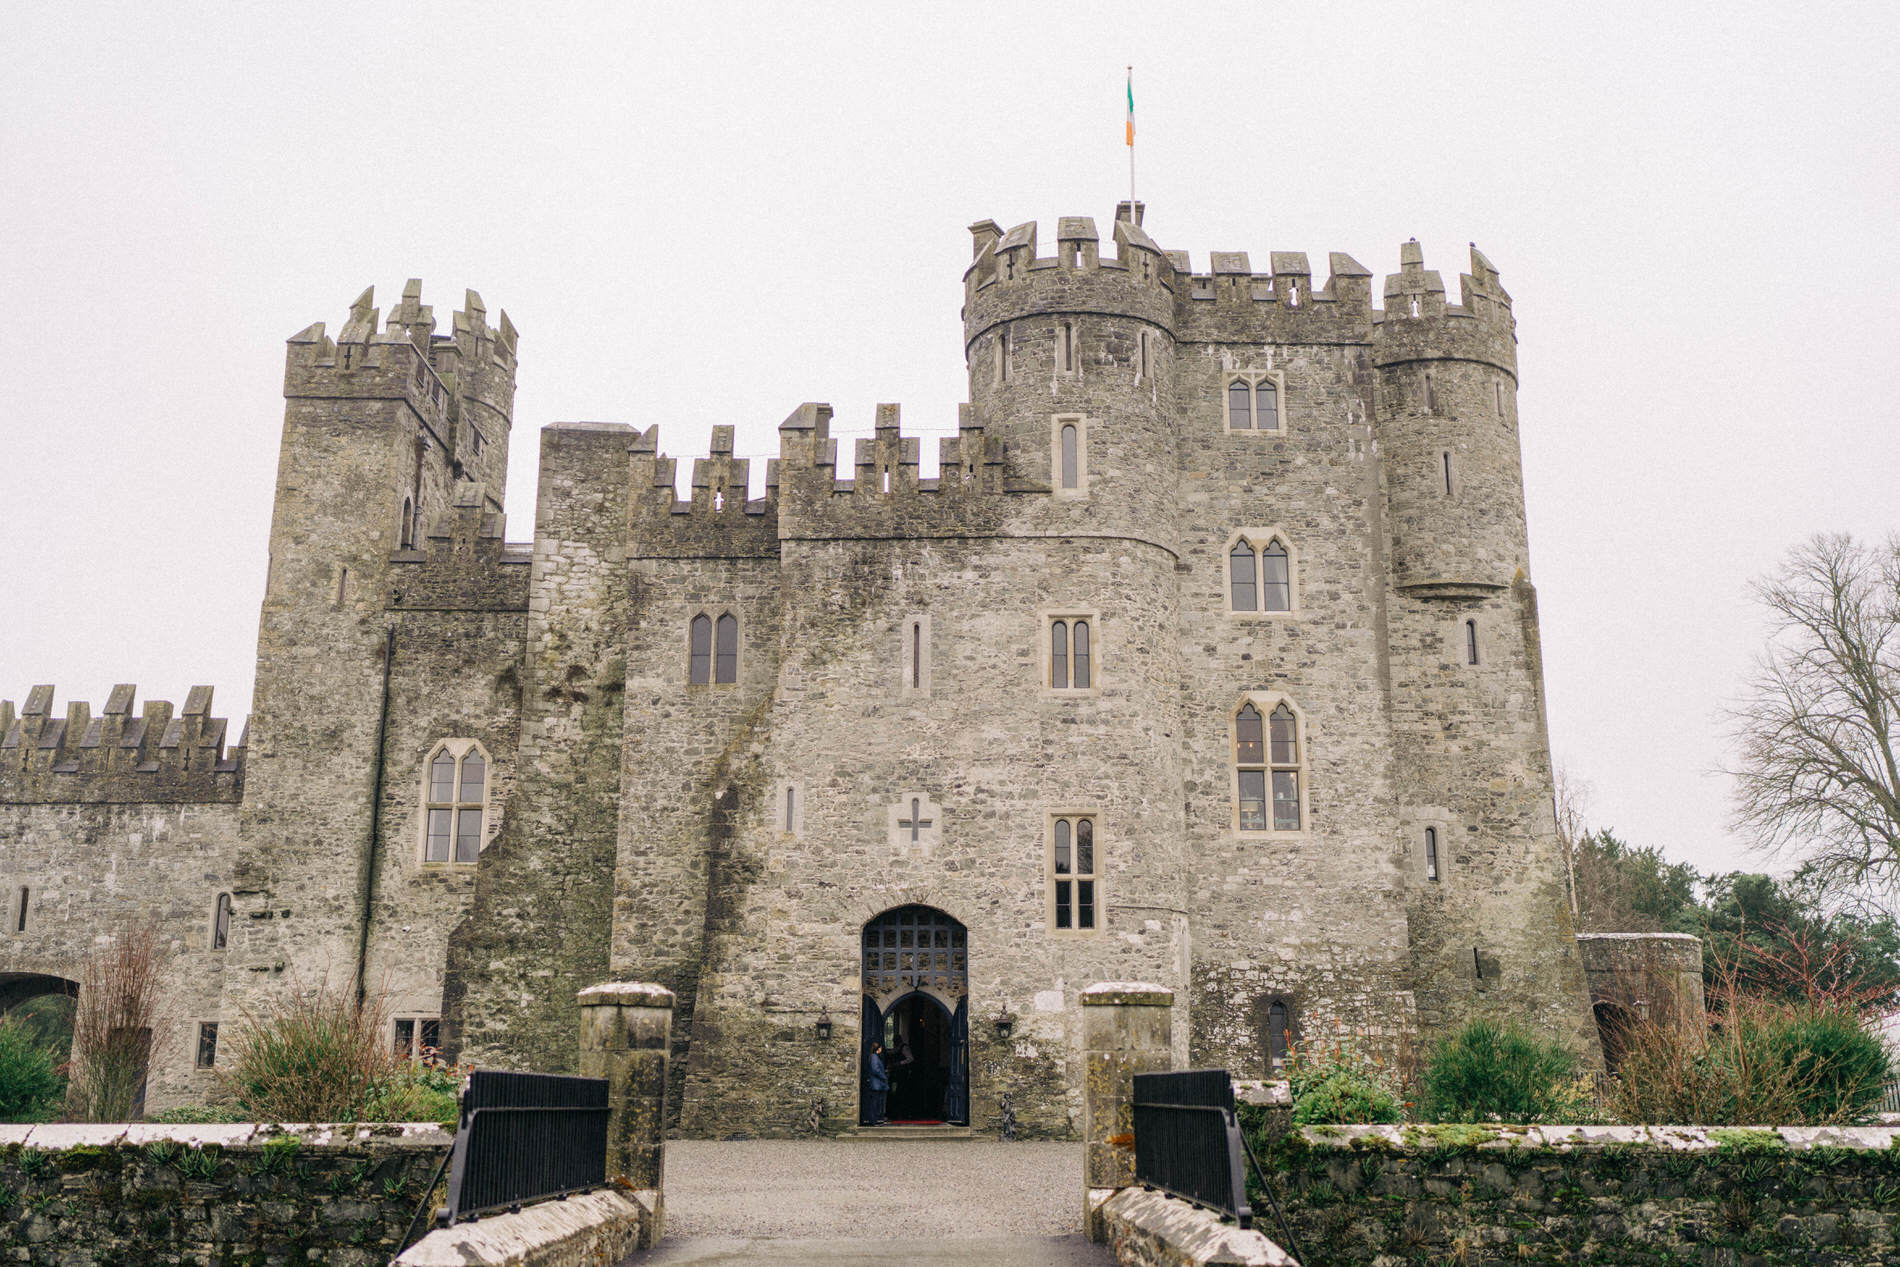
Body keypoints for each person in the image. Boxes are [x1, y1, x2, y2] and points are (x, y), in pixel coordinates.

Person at [865, 1041, 889, 1124]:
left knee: (876, 1101)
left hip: (877, 1083)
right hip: (876, 1084)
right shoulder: (874, 1057)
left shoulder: (875, 1056)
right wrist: (883, 1076)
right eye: (881, 1048)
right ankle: (873, 1120)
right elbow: (875, 1069)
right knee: (874, 1102)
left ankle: (875, 1119)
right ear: (878, 1049)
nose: (882, 1049)